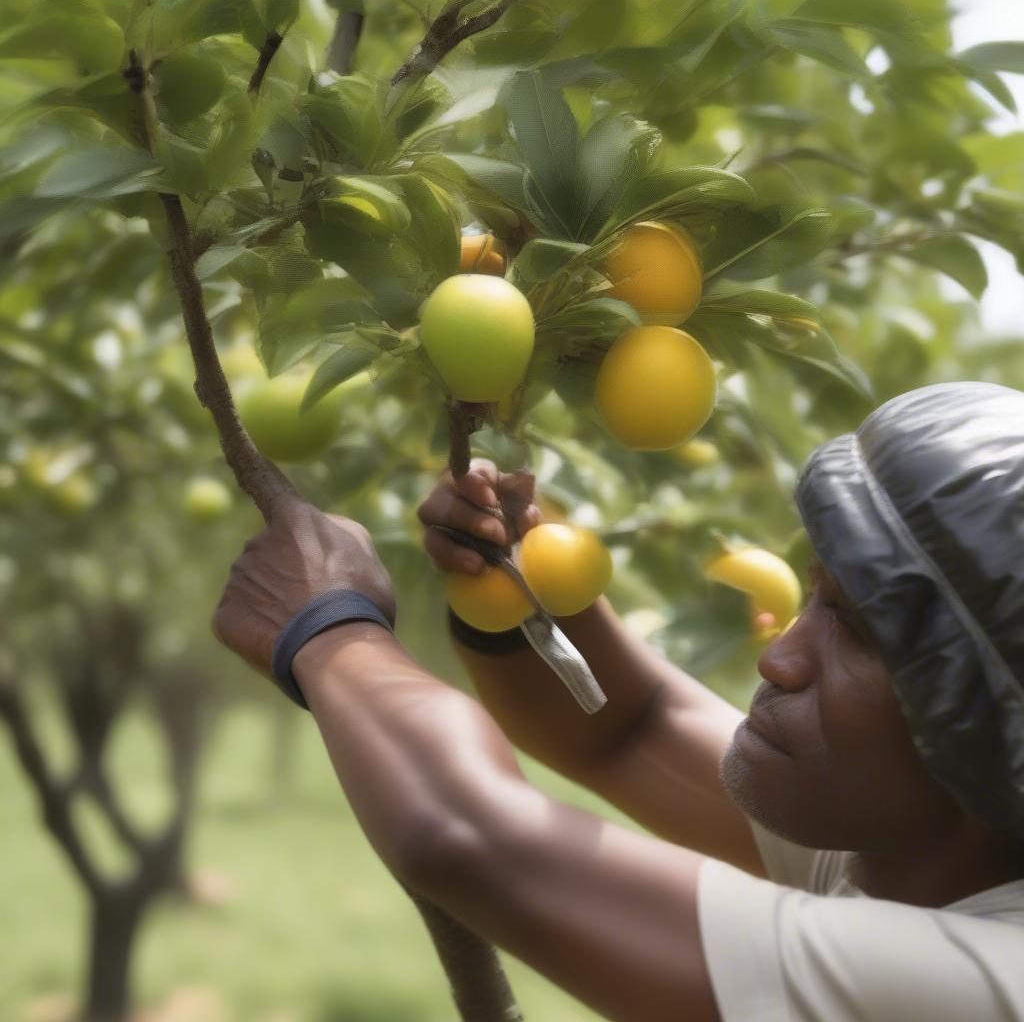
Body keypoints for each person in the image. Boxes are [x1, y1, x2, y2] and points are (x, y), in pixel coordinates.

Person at [214, 381, 1024, 1021]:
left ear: (984, 735)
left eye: (853, 630)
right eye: (816, 600)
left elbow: (471, 839)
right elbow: (632, 730)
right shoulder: (911, 850)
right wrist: (521, 583)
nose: (778, 659)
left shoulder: (984, 985)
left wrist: (328, 629)